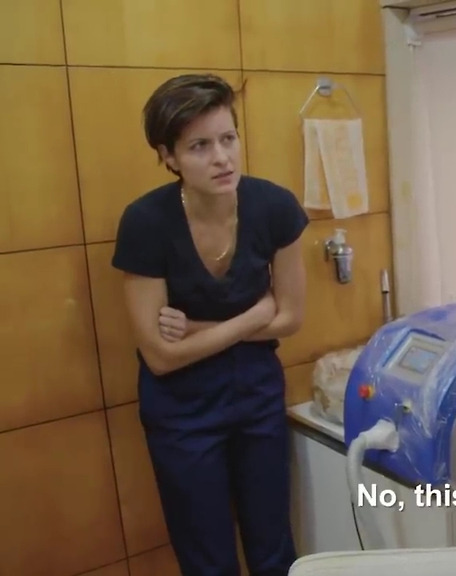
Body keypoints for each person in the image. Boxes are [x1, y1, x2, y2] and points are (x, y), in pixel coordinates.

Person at [111, 73, 309, 576]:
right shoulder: (146, 222)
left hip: (257, 395)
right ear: (169, 156)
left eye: (228, 138)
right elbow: (161, 356)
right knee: (207, 561)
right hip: (181, 410)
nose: (222, 158)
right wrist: (255, 314)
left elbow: (291, 318)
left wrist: (197, 329)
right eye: (200, 146)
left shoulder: (274, 207)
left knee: (273, 550)